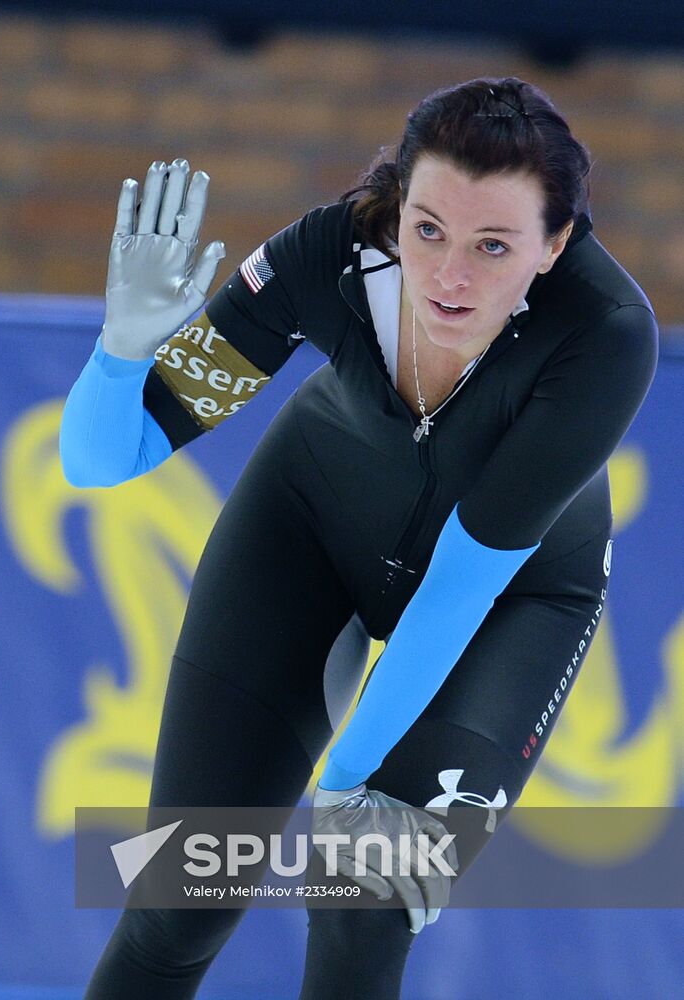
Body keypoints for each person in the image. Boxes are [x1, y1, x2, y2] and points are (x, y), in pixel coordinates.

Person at [60, 76, 658, 999]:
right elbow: (105, 458)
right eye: (427, 230)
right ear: (396, 209)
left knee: (363, 891)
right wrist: (123, 348)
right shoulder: (327, 255)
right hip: (313, 524)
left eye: (492, 246)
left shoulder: (607, 334)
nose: (449, 277)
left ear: (556, 245)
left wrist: (348, 780)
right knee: (179, 896)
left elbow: (464, 578)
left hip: (512, 596)